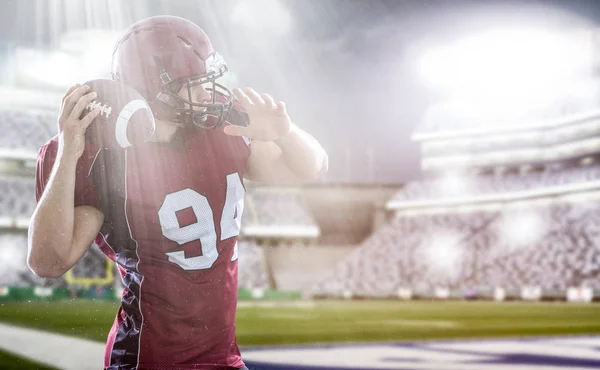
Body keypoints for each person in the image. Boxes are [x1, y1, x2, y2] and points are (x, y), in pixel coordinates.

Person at [27, 15, 328, 370]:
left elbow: (311, 166)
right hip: (150, 358)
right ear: (153, 89)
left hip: (223, 356)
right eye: (193, 84)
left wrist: (285, 132)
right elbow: (48, 261)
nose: (208, 93)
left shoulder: (223, 126)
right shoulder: (104, 156)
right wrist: (68, 154)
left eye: (207, 81)